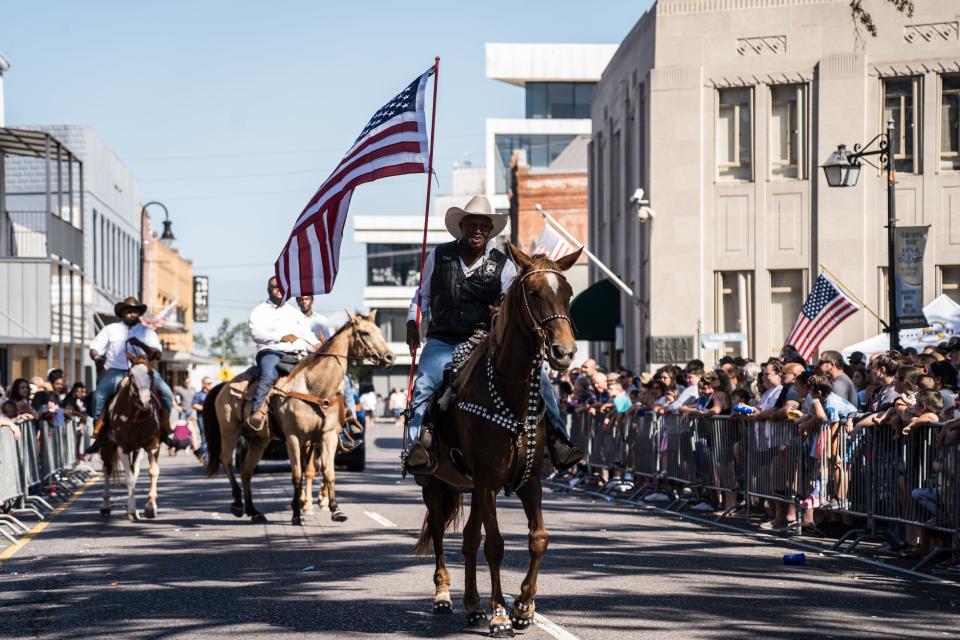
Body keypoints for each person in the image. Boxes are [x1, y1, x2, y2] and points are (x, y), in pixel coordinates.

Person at [403, 195, 582, 474]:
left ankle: (560, 442)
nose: (477, 230)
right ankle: (417, 447)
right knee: (425, 385)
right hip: (443, 339)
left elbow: (511, 300)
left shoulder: (504, 264)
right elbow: (422, 295)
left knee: (541, 379)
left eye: (483, 226)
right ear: (461, 226)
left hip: (484, 341)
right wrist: (412, 323)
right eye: (472, 224)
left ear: (490, 230)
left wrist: (500, 310)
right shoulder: (438, 255)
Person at [85, 297, 174, 453]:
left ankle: (165, 430)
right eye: (129, 311)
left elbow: (157, 354)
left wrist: (140, 344)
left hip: (143, 369)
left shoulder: (147, 331)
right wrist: (97, 358)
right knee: (99, 395)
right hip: (116, 370)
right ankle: (99, 434)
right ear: (122, 312)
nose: (132, 314)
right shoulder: (110, 329)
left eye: (135, 311)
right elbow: (94, 348)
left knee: (166, 392)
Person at [246, 276, 321, 431]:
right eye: (275, 287)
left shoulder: (294, 312)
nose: (279, 290)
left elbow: (306, 333)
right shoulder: (260, 311)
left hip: (295, 354)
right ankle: (257, 411)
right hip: (270, 352)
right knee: (269, 375)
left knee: (315, 377)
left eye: (282, 287)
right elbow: (256, 333)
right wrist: (280, 337)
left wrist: (317, 344)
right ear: (269, 290)